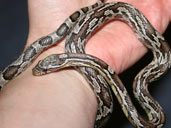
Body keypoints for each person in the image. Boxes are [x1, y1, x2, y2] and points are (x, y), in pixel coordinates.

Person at [0, 0, 170, 127]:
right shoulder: (72, 48)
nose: (40, 70)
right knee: (73, 43)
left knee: (140, 85)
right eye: (44, 67)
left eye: (44, 68)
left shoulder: (72, 48)